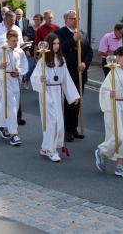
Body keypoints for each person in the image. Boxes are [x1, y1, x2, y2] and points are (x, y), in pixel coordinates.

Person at [30, 33, 80, 162]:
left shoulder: (61, 59)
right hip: (46, 92)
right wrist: (40, 79)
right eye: (54, 44)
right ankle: (51, 150)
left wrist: (74, 96)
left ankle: (45, 147)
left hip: (58, 93)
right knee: (52, 122)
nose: (57, 46)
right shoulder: (43, 61)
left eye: (58, 43)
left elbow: (66, 78)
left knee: (59, 122)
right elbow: (34, 77)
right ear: (49, 45)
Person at [94, 46, 123, 178]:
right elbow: (103, 90)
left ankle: (120, 166)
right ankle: (101, 151)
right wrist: (110, 93)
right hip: (114, 107)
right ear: (118, 58)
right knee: (118, 136)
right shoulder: (112, 72)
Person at [56, 10, 93, 142]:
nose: (75, 20)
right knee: (69, 102)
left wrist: (85, 63)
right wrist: (73, 40)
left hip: (81, 72)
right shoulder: (60, 33)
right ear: (66, 20)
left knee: (78, 102)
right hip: (68, 72)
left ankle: (74, 127)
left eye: (77, 18)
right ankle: (67, 129)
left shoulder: (82, 33)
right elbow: (60, 49)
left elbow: (89, 51)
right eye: (72, 18)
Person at [0, 30, 28, 146]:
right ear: (7, 40)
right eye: (13, 41)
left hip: (15, 80)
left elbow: (24, 65)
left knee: (13, 105)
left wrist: (19, 72)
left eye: (17, 40)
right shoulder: (2, 52)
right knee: (11, 105)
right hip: (5, 79)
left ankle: (3, 125)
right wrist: (0, 66)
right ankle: (14, 133)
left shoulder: (20, 51)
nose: (16, 43)